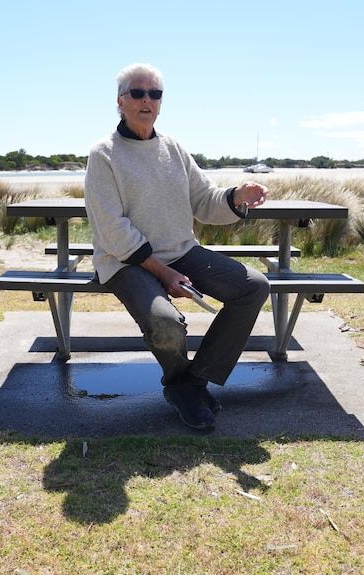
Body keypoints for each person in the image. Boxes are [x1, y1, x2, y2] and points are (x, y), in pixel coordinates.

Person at [84, 63, 271, 431]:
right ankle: (181, 382)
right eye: (137, 93)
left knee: (254, 286)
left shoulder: (174, 148)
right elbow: (111, 229)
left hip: (182, 250)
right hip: (126, 262)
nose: (147, 100)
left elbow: (205, 202)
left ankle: (191, 383)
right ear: (120, 101)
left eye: (155, 94)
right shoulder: (103, 154)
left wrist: (237, 196)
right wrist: (164, 272)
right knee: (165, 323)